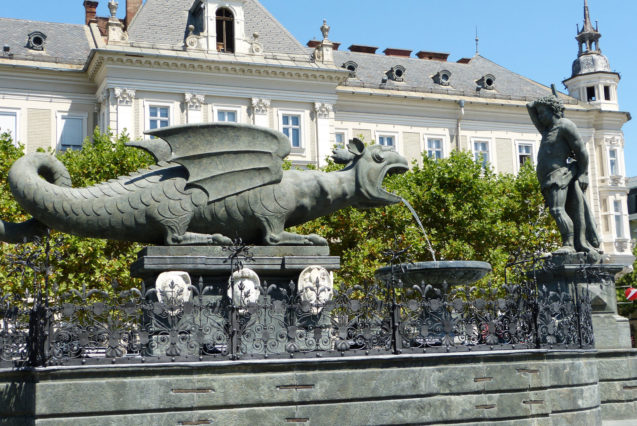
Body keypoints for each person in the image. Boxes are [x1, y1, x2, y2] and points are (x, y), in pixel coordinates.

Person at [527, 95, 601, 259]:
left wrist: (583, 174)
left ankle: (568, 244)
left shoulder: (565, 125)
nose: (540, 117)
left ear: (553, 111)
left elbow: (581, 150)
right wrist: (538, 105)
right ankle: (572, 243)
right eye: (539, 113)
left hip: (559, 176)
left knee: (557, 210)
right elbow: (530, 107)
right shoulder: (547, 130)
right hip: (547, 178)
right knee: (562, 210)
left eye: (543, 113)